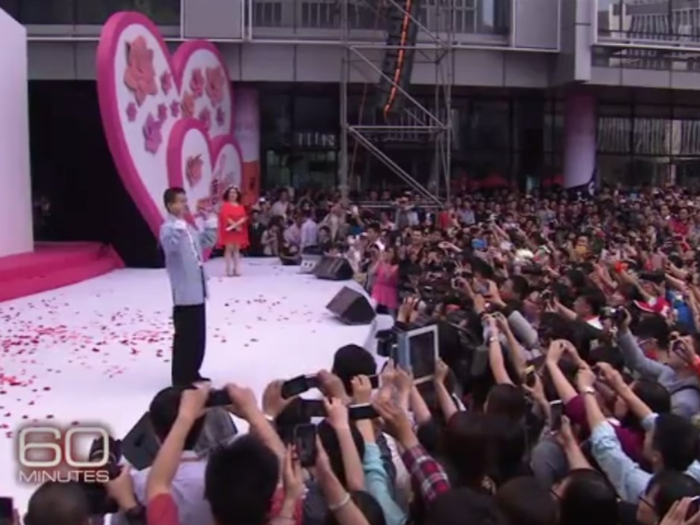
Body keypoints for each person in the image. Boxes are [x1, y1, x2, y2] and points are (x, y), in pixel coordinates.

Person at [160, 187, 218, 386]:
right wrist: (177, 227)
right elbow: (171, 247)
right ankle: (181, 376)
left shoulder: (188, 227)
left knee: (198, 336)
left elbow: (207, 241)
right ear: (170, 205)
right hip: (184, 292)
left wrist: (209, 222)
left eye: (185, 200)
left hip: (198, 290)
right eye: (180, 201)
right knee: (185, 336)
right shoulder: (168, 228)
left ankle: (193, 371)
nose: (184, 204)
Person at [218, 186, 249, 277]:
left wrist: (238, 225)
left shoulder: (240, 206)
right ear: (228, 194)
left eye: (234, 193)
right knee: (229, 249)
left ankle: (236, 268)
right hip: (229, 230)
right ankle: (228, 269)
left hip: (238, 230)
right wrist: (234, 225)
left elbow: (244, 217)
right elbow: (224, 217)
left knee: (237, 250)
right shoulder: (225, 206)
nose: (233, 194)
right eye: (231, 192)